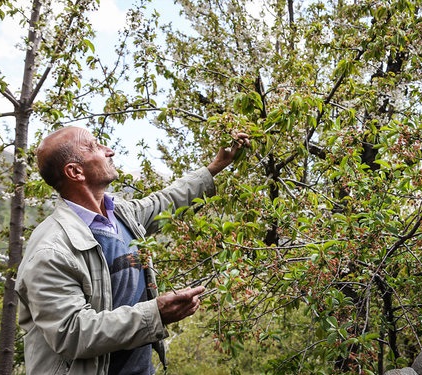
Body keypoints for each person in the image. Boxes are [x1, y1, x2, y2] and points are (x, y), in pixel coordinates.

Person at [15, 126, 249, 375]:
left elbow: (164, 202)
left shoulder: (120, 214)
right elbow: (71, 333)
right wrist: (155, 313)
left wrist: (215, 166)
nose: (109, 151)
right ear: (75, 172)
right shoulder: (50, 250)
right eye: (95, 147)